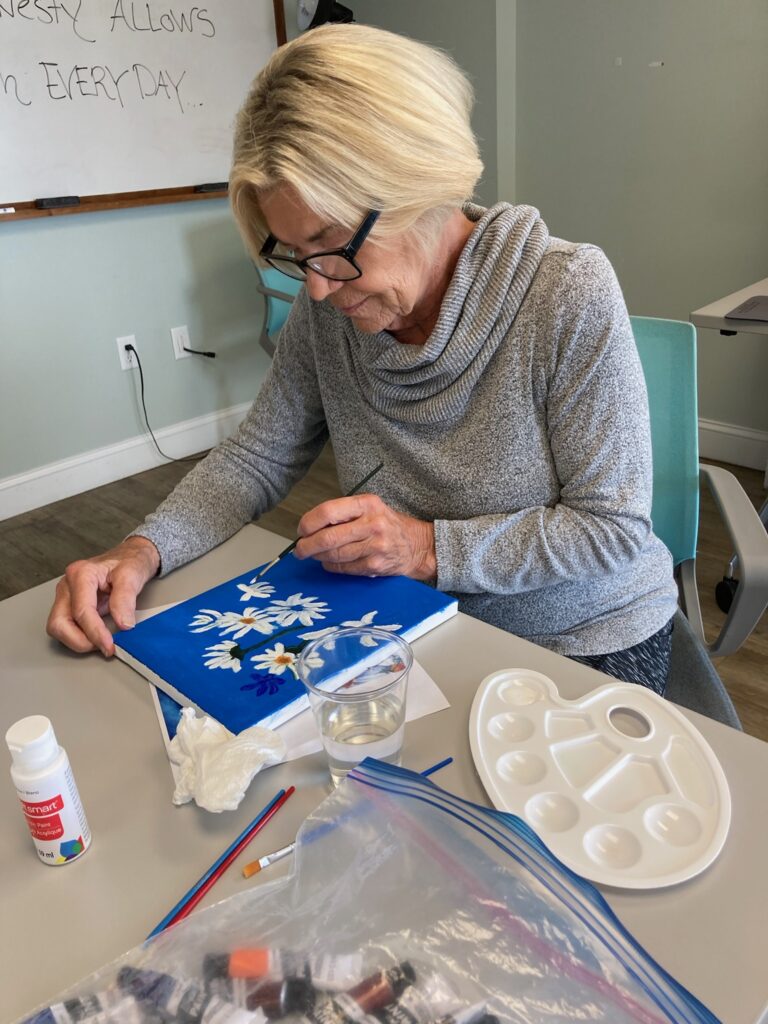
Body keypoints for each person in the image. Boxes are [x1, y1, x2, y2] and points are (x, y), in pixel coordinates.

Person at [46, 24, 678, 694]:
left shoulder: (565, 290)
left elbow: (610, 529)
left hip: (580, 636)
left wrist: (424, 548)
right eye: (296, 254)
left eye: (330, 243)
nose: (316, 289)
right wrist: (142, 551)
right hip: (408, 620)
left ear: (418, 185)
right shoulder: (330, 301)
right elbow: (258, 457)